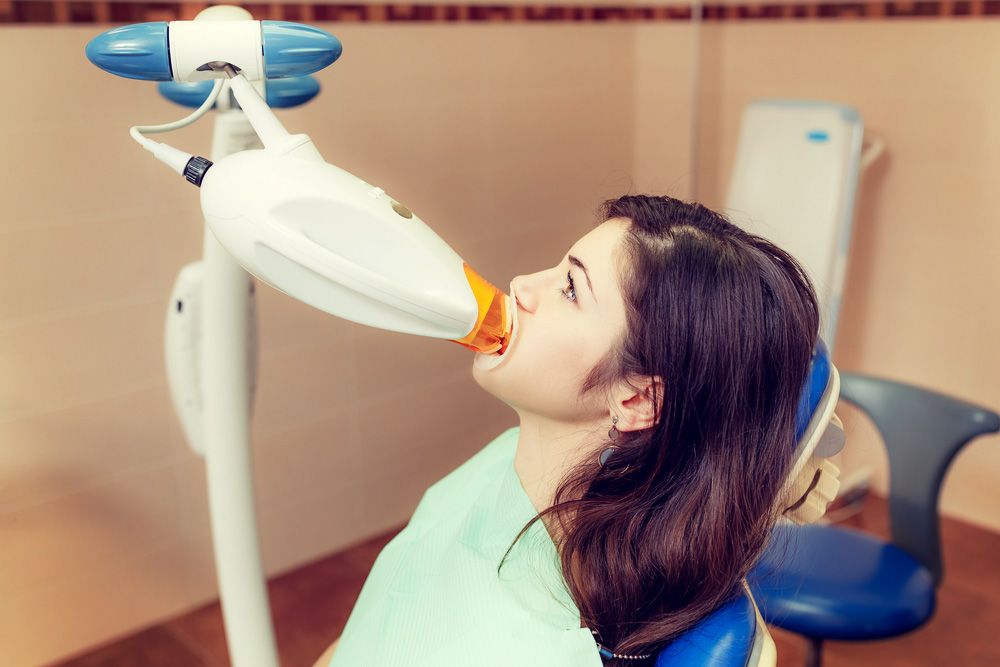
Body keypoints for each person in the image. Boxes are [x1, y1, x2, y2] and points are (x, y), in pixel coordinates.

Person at [314, 194, 821, 666]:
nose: (520, 285)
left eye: (570, 289)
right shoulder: (510, 456)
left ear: (636, 398)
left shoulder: (531, 647)